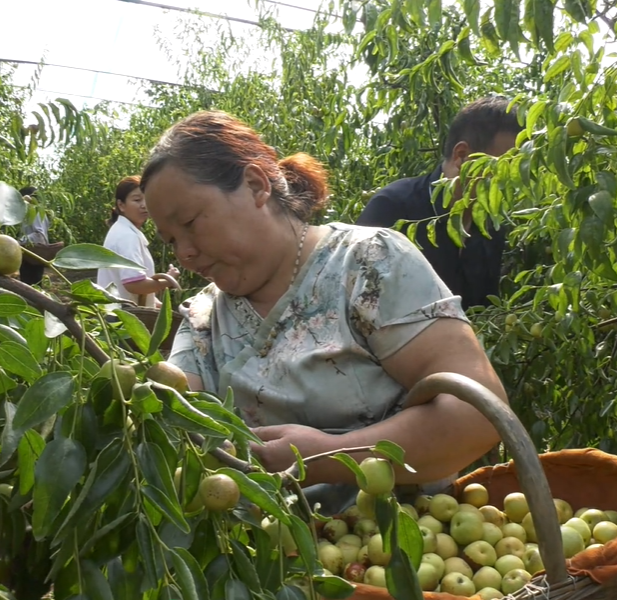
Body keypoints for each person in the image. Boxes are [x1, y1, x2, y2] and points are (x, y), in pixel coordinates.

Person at [140, 110, 509, 515]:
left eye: (190, 222)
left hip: (410, 548)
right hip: (269, 563)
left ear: (254, 185)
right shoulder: (204, 319)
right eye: (171, 240)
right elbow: (176, 417)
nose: (185, 253)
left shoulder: (368, 265)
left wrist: (326, 456)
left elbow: (478, 414)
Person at [356, 96, 524, 311]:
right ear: (462, 156)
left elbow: (482, 312)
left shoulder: (491, 226)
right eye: (504, 168)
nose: (514, 180)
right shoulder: (393, 209)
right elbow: (355, 306)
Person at [95, 175, 181, 307]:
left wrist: (156, 305)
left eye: (147, 199)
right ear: (121, 205)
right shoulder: (127, 236)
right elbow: (133, 284)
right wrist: (167, 280)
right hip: (121, 318)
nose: (144, 205)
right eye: (137, 200)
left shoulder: (122, 231)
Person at [18, 186, 64, 286]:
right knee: (30, 285)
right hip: (31, 255)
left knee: (31, 285)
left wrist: (19, 241)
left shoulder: (35, 212)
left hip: (33, 255)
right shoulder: (31, 212)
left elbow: (39, 235)